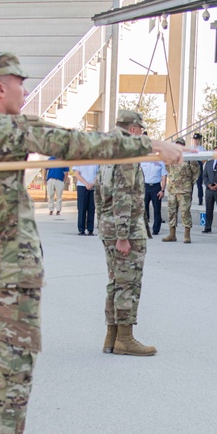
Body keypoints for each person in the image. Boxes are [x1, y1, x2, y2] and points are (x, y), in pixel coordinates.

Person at [0, 52, 184, 434]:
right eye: (19, 83)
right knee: (8, 382)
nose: (25, 91)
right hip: (7, 280)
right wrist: (151, 144)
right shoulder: (3, 130)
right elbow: (75, 143)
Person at [97, 110, 156, 356]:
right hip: (127, 229)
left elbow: (99, 195)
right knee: (128, 284)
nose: (141, 134)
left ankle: (111, 337)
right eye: (140, 130)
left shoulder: (108, 153)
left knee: (115, 282)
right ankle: (124, 338)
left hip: (109, 226)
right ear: (133, 129)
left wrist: (105, 224)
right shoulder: (126, 154)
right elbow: (123, 195)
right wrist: (123, 235)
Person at [162, 154, 201, 244]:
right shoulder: (170, 157)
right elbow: (168, 169)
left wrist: (189, 183)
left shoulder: (188, 158)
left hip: (184, 190)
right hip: (172, 190)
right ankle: (172, 234)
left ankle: (187, 235)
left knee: (185, 212)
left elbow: (196, 171)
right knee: (171, 212)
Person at [139, 154, 167, 235]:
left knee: (157, 209)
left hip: (156, 187)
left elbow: (164, 177)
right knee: (143, 209)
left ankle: (156, 229)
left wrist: (162, 190)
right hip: (145, 187)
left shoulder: (160, 162)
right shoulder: (142, 161)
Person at [72, 163, 98, 235]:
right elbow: (77, 174)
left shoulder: (95, 162)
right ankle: (81, 229)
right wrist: (86, 183)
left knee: (91, 208)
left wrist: (92, 183)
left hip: (93, 187)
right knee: (82, 208)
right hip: (82, 186)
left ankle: (90, 229)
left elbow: (98, 174)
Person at [192, 132, 205, 206]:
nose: (196, 140)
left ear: (199, 140)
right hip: (192, 164)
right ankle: (189, 199)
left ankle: (200, 199)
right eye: (195, 139)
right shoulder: (191, 147)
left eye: (197, 139)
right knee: (190, 183)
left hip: (199, 164)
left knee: (199, 184)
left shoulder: (201, 148)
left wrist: (200, 164)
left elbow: (204, 158)